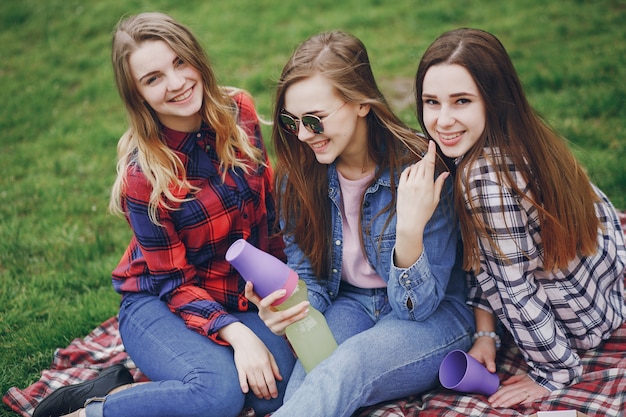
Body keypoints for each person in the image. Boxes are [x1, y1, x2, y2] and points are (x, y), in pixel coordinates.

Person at [33, 12, 295, 417]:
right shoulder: (144, 175)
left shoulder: (237, 110)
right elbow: (172, 283)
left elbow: (267, 216)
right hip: (159, 299)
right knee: (219, 395)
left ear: (196, 59)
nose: (176, 83)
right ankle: (91, 409)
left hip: (235, 293)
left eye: (180, 63)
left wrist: (279, 285)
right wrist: (239, 335)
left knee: (275, 390)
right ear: (137, 95)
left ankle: (131, 388)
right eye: (153, 78)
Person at [244, 30, 474, 417]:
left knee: (347, 367)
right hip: (351, 304)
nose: (302, 135)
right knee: (303, 391)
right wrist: (289, 311)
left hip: (434, 314)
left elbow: (417, 307)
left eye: (314, 121)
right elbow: (310, 278)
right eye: (291, 121)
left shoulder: (420, 167)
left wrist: (409, 231)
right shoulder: (297, 175)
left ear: (361, 104)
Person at [414, 28, 626, 408]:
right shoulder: (522, 135)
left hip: (574, 324)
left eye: (461, 101)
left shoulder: (484, 179)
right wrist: (486, 334)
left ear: (493, 101)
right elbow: (484, 260)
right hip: (604, 296)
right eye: (432, 102)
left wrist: (554, 372)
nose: (443, 120)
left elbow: (514, 287)